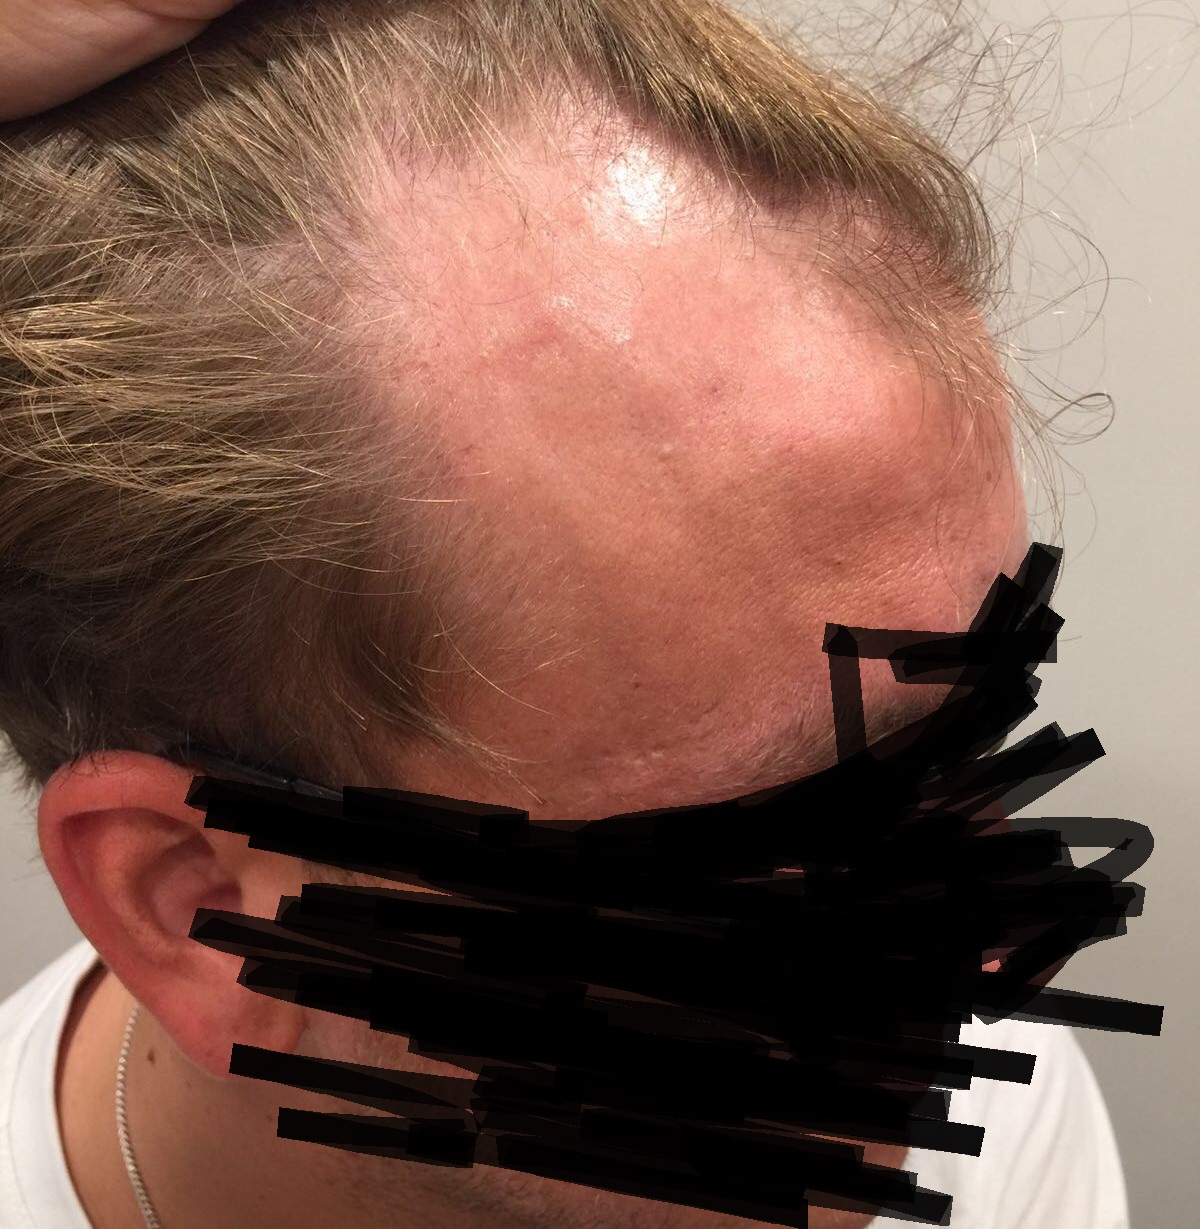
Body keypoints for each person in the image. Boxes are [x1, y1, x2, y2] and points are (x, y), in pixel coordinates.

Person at [0, 1, 1130, 1226]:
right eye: (791, 856)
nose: (1005, 960)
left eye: (969, 741)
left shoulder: (972, 1110)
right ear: (211, 915)